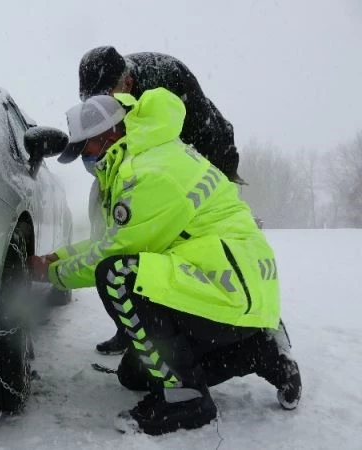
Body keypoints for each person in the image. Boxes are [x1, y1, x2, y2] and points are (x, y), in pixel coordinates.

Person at [30, 89, 301, 435]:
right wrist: (58, 258)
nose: (86, 159)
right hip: (228, 288)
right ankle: (257, 351)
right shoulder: (151, 152)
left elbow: (113, 253)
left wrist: (51, 272)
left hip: (226, 285)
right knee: (134, 373)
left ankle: (186, 400)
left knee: (117, 276)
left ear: (108, 134)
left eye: (87, 149)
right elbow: (112, 239)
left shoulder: (147, 173)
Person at [78, 45, 244, 355]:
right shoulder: (116, 93)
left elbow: (179, 152)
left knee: (192, 252)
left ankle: (255, 332)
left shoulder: (163, 83)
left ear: (125, 84)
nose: (102, 109)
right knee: (125, 240)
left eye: (105, 99)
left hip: (208, 155)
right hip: (165, 166)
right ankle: (131, 327)